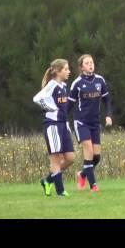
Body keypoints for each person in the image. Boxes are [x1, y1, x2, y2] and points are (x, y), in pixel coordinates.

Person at [68, 54, 112, 192]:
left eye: (91, 62)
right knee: (89, 151)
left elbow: (107, 100)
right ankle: (93, 186)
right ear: (81, 67)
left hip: (94, 122)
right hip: (81, 122)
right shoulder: (77, 83)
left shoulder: (100, 80)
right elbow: (69, 105)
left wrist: (108, 115)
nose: (90, 65)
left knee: (96, 157)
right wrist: (61, 120)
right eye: (87, 63)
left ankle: (82, 174)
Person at [33, 59, 75, 197]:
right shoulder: (52, 85)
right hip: (52, 125)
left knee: (70, 158)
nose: (68, 71)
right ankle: (60, 191)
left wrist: (67, 125)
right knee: (55, 159)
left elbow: (64, 108)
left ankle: (47, 180)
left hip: (63, 125)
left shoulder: (63, 86)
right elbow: (37, 98)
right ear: (58, 71)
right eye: (66, 69)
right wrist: (50, 108)